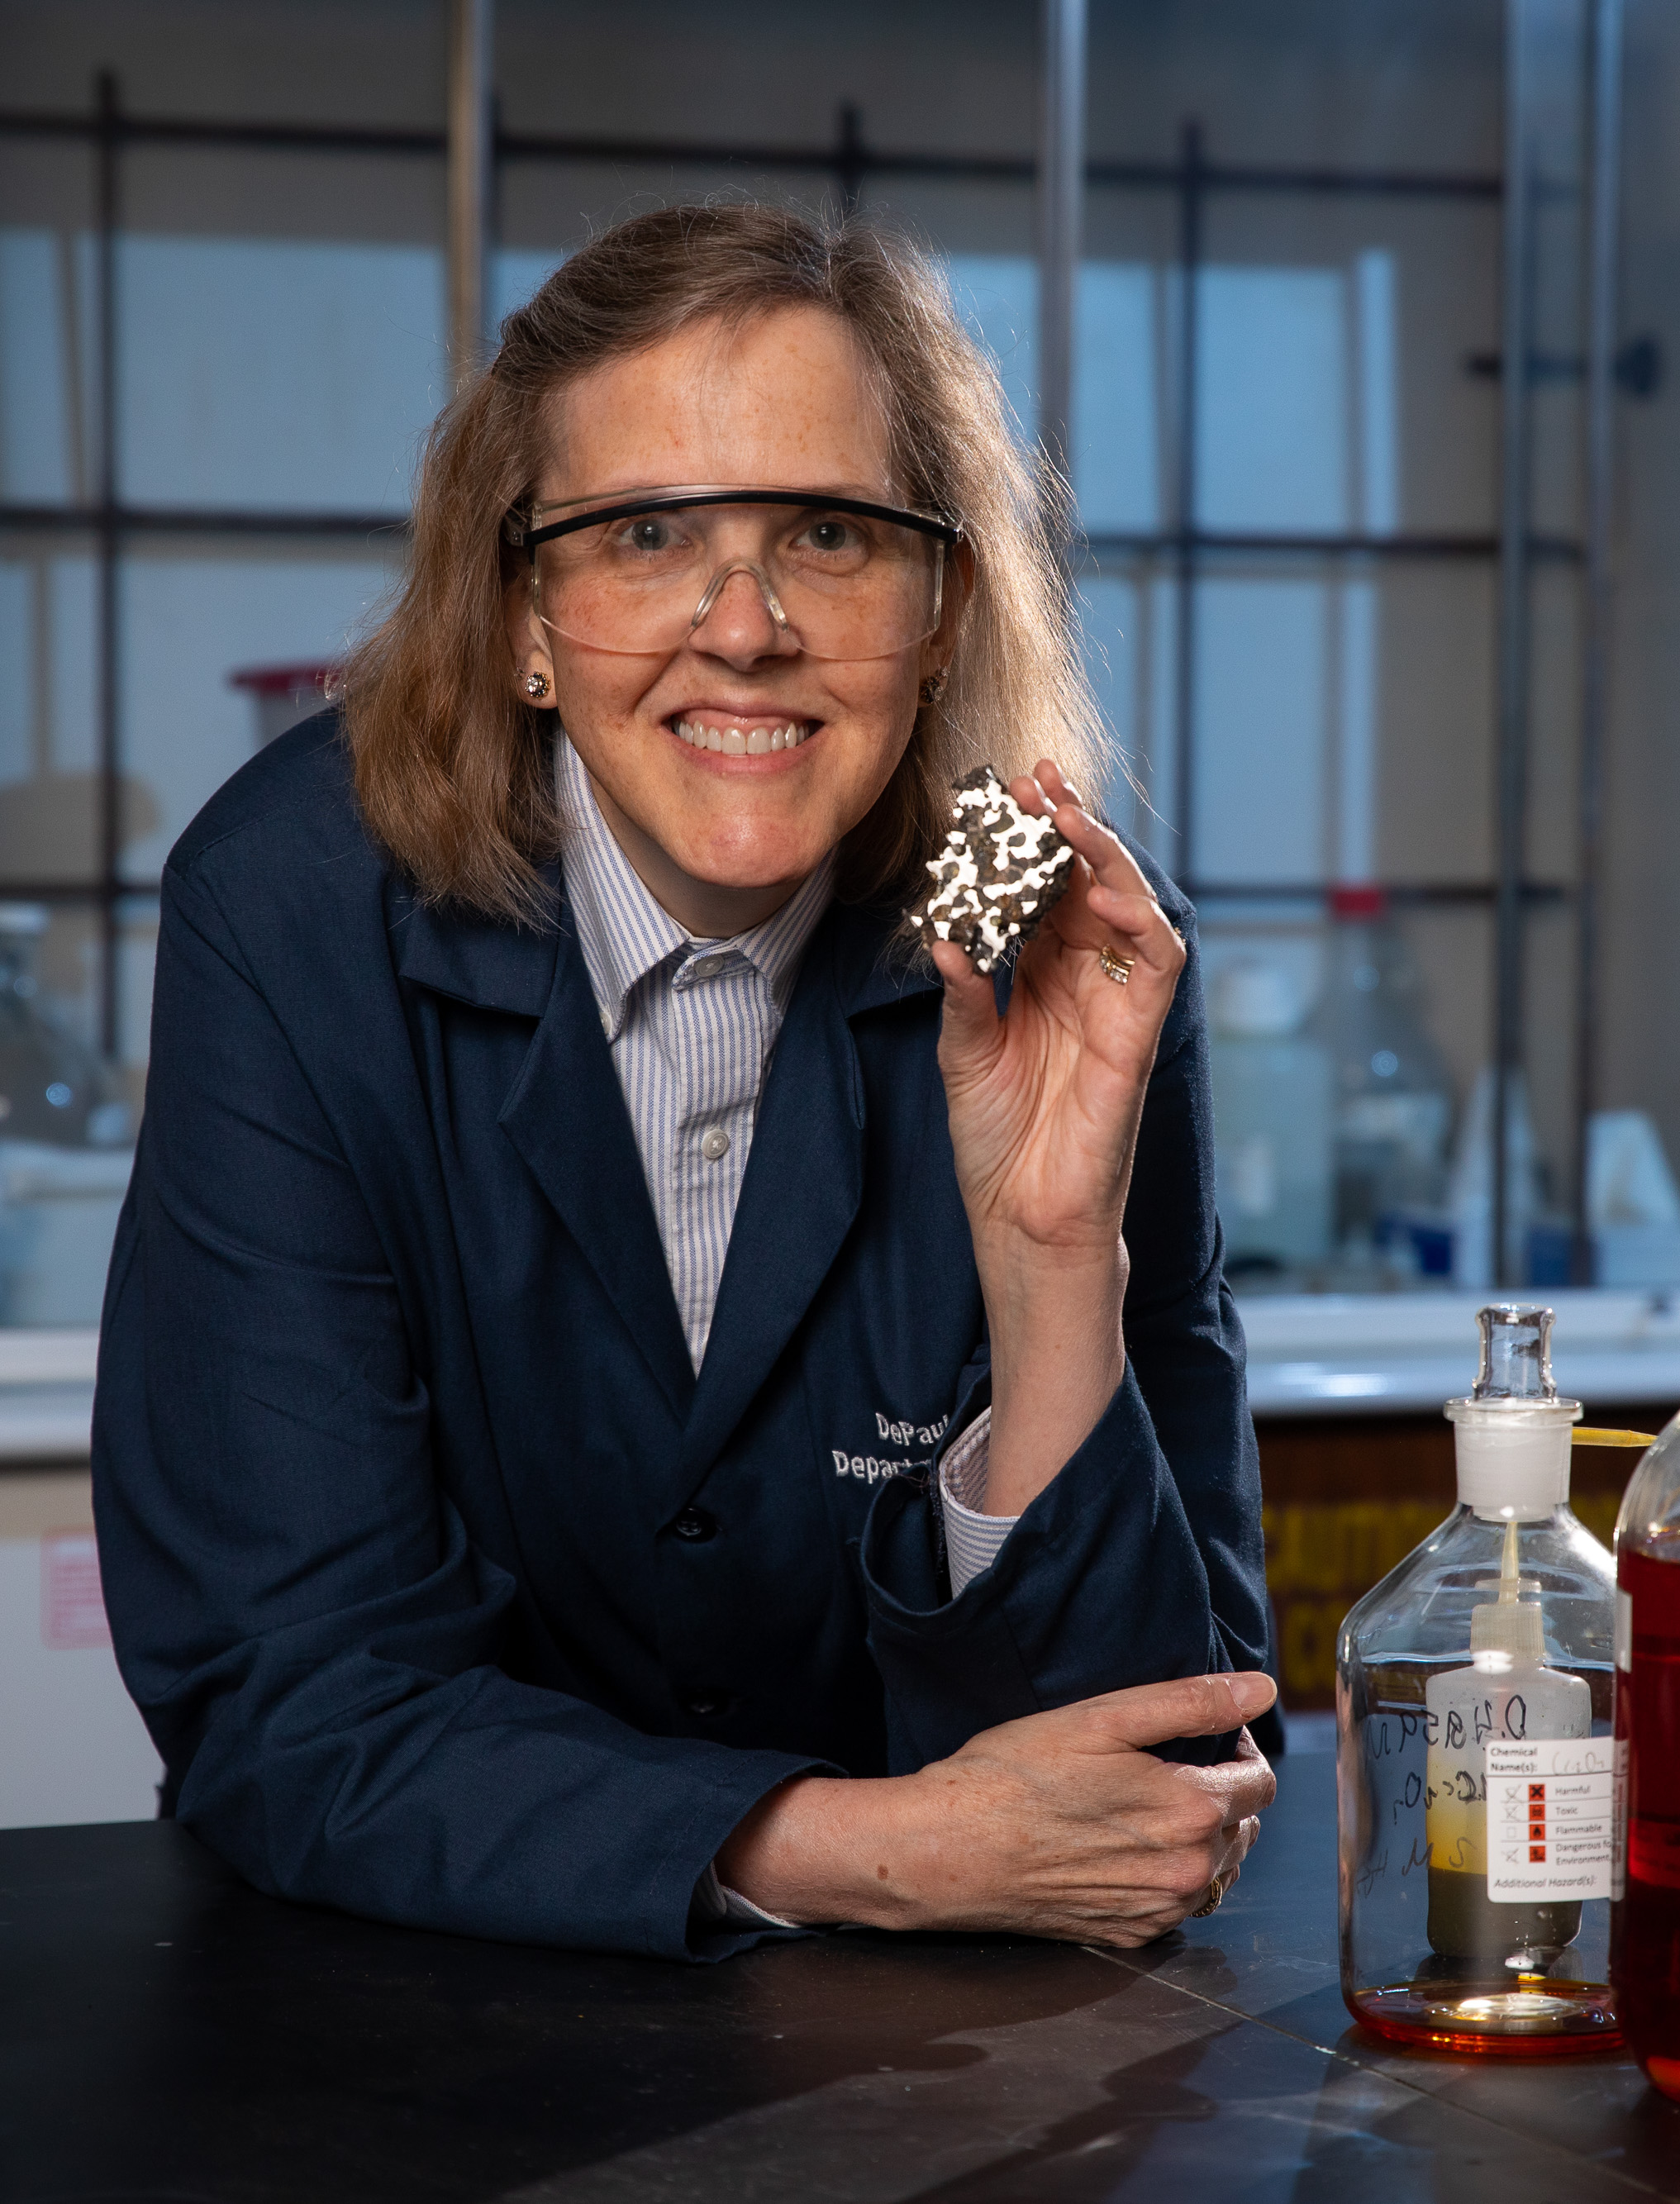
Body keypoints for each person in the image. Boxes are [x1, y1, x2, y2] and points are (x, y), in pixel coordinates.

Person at [92, 202, 1279, 1962]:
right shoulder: (290, 913)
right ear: (523, 613)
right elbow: (289, 1691)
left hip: (955, 2052)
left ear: (941, 608)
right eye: (646, 535)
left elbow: (1162, 1773)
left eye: (829, 534)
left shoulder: (1072, 944)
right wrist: (874, 1846)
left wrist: (1049, 1269)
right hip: (399, 2005)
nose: (743, 628)